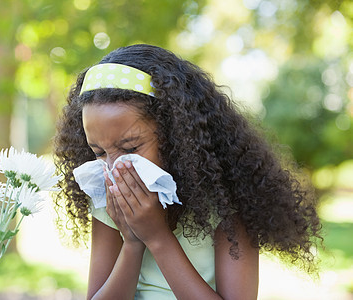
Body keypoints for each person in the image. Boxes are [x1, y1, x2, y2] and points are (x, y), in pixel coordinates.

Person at [53, 44, 322, 299]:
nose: (114, 168)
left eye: (130, 147)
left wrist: (157, 237)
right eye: (99, 152)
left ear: (176, 135)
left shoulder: (226, 202)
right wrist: (132, 243)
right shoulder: (108, 197)